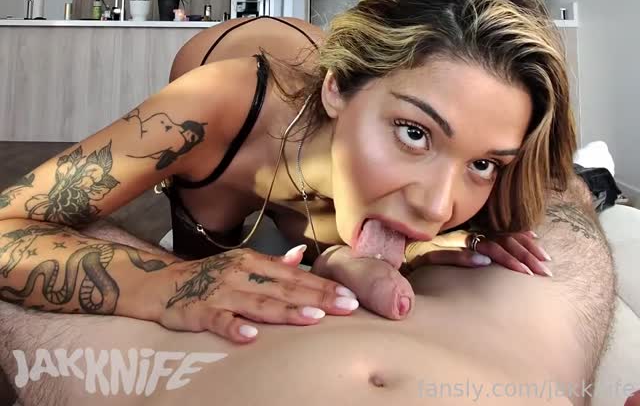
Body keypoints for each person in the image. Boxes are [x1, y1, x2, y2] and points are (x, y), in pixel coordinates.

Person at [0, 0, 574, 347]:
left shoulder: (416, 153)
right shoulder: (210, 104)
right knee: (205, 246)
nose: (437, 207)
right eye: (414, 133)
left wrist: (371, 255)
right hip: (248, 70)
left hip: (329, 109)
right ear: (338, 87)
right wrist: (165, 282)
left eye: (482, 164)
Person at [0, 172, 620, 406]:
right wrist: (168, 280)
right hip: (506, 345)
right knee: (556, 202)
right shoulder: (246, 96)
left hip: (183, 366)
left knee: (547, 196)